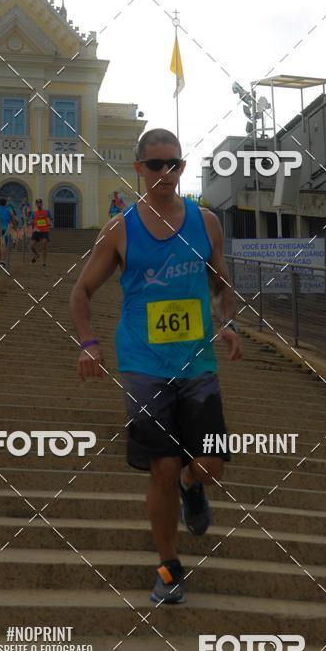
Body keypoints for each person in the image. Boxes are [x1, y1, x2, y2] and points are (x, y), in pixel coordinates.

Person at [69, 128, 243, 605]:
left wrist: (227, 322)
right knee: (162, 467)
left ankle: (193, 487)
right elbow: (81, 291)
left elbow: (220, 283)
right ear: (138, 169)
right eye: (155, 165)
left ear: (182, 168)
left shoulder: (206, 223)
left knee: (208, 465)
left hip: (198, 364)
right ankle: (168, 568)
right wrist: (89, 343)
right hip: (143, 364)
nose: (165, 173)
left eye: (174, 164)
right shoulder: (120, 229)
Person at [0, 196, 18, 266]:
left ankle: (0, 259)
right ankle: (2, 260)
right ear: (5, 203)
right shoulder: (9, 210)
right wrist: (15, 226)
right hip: (5, 229)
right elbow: (14, 219)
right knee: (3, 244)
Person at [31, 198, 53, 266]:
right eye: (37, 203)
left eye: (40, 203)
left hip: (44, 231)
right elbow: (31, 221)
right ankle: (37, 254)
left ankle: (44, 262)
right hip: (36, 231)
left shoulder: (47, 212)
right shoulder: (34, 213)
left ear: (42, 204)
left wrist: (50, 222)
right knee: (32, 246)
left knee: (44, 245)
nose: (39, 204)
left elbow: (51, 219)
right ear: (36, 204)